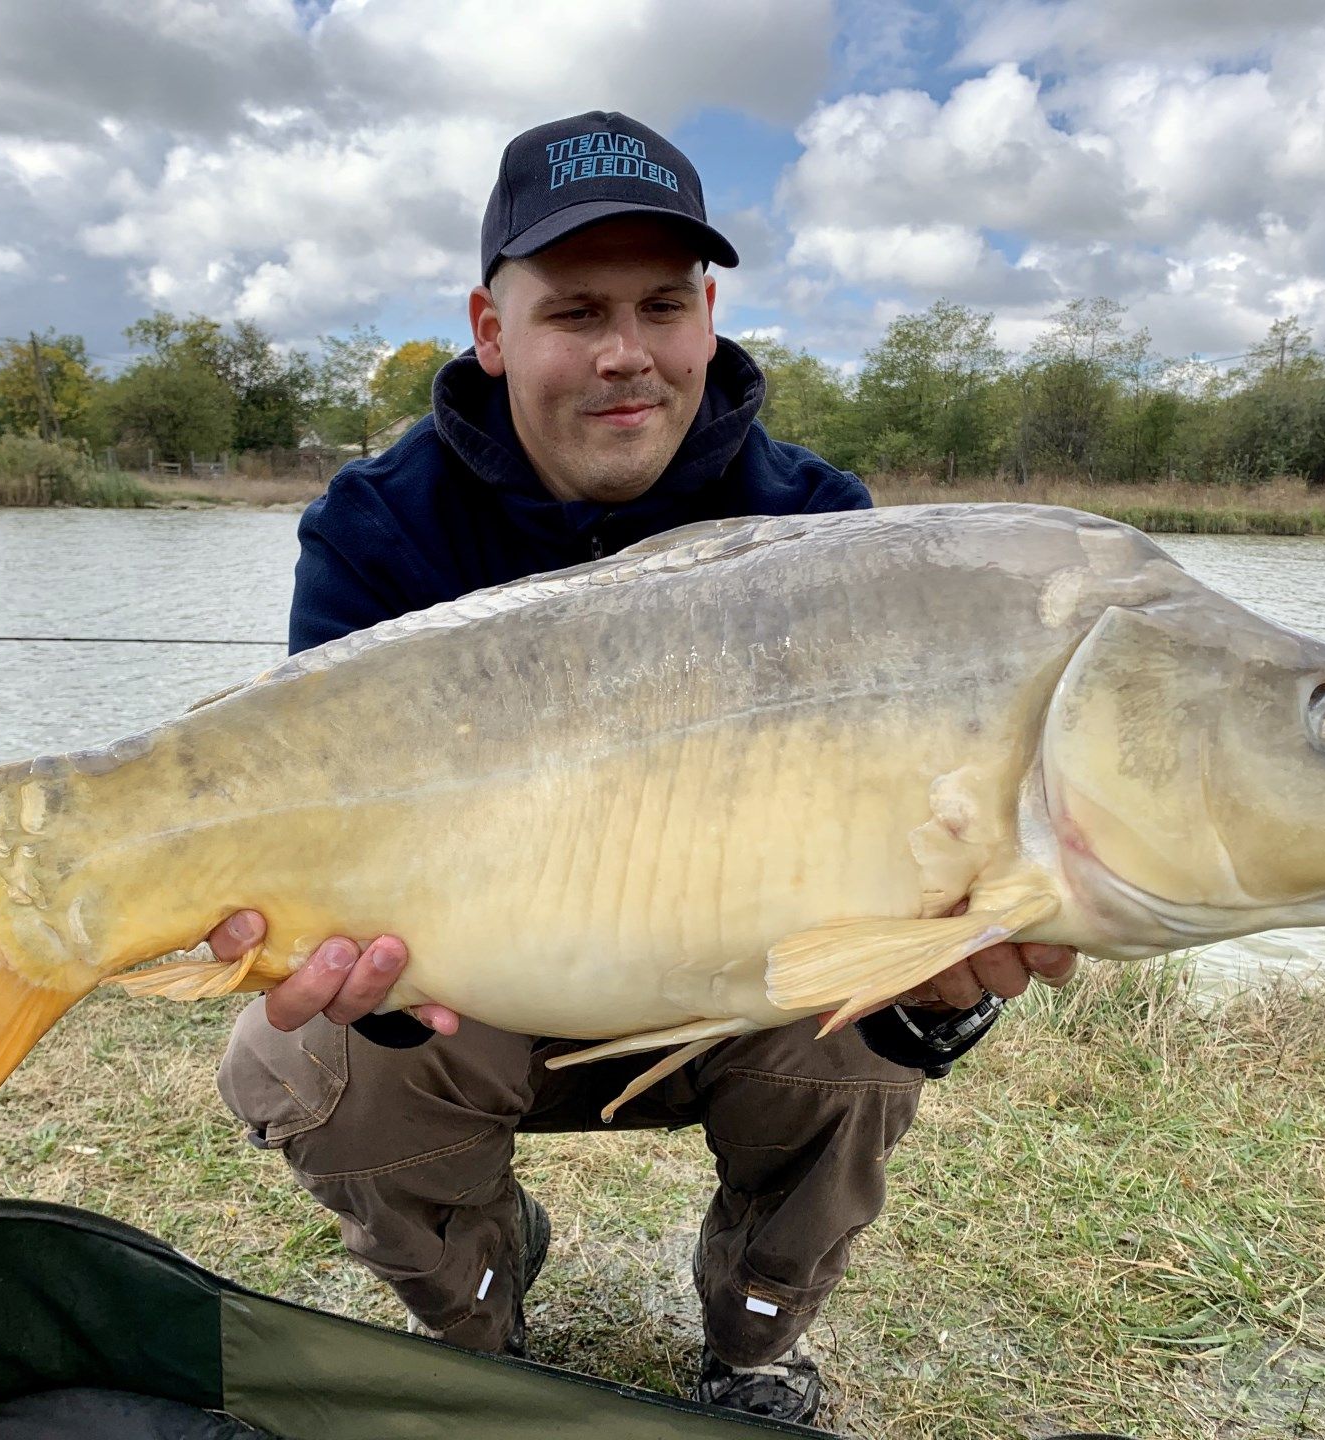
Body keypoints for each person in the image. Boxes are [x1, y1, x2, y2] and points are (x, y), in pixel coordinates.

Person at [208, 110, 1077, 1427]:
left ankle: (753, 1343)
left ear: (709, 314)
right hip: (479, 986)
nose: (625, 354)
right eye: (574, 311)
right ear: (491, 329)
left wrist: (940, 988)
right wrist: (360, 982)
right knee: (305, 1060)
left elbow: (916, 877)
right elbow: (324, 850)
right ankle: (480, 1314)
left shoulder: (822, 530)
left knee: (860, 1043)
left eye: (661, 305)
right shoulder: (377, 532)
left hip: (726, 982)